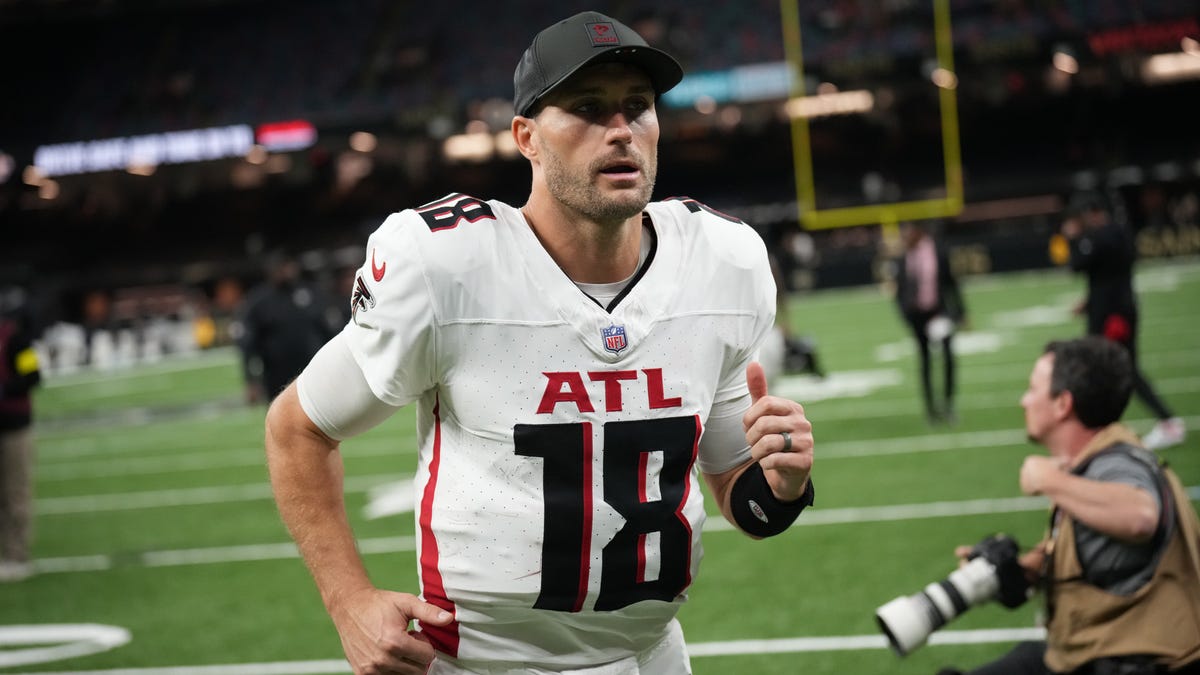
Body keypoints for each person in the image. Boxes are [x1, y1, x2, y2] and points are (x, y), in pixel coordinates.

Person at [264, 10, 816, 675]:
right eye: (587, 109)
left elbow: (739, 491)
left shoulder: (723, 261)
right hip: (485, 664)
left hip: (653, 657)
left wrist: (781, 487)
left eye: (637, 107)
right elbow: (296, 429)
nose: (620, 130)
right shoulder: (447, 266)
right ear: (526, 136)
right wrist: (348, 599)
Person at [940, 337, 1200, 675]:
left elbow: (1140, 516)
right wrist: (1017, 571)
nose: (1024, 400)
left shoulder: (1114, 466)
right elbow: (1109, 563)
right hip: (1102, 653)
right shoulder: (1095, 461)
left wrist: (1047, 479)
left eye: (1033, 389)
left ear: (1063, 404)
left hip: (1140, 662)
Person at [1061, 192, 1185, 451]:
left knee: (1119, 369)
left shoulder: (1100, 237)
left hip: (1112, 316)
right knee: (1107, 368)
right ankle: (1103, 426)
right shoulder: (1117, 232)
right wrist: (1090, 300)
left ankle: (1167, 421)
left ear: (1091, 214)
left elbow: (1076, 265)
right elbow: (1107, 274)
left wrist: (1073, 239)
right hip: (1117, 309)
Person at [234, 250, 341, 404]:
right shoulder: (259, 301)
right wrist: (251, 381)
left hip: (313, 371)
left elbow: (331, 331)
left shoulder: (311, 293)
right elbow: (247, 344)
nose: (286, 271)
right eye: (280, 267)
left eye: (288, 265)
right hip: (276, 377)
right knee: (283, 421)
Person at [893, 220, 966, 425]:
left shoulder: (937, 251)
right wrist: (905, 314)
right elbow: (899, 290)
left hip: (939, 312)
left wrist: (961, 311)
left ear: (918, 232)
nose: (905, 237)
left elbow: (951, 283)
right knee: (924, 361)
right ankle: (931, 409)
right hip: (917, 315)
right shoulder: (903, 257)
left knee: (948, 357)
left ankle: (949, 404)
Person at [0, 285, 42, 582]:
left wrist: (3, 391)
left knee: (16, 492)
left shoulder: (17, 340)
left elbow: (33, 377)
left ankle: (16, 556)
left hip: (14, 427)